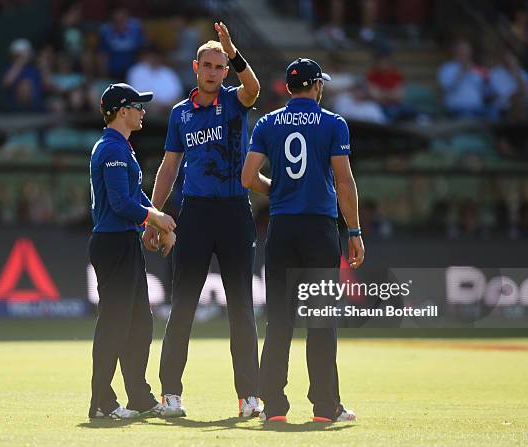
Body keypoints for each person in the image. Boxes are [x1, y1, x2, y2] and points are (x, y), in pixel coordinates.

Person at [143, 22, 262, 418]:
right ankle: (170, 395)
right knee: (182, 309)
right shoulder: (180, 114)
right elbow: (169, 166)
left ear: (225, 70)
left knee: (242, 308)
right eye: (207, 65)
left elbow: (255, 90)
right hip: (193, 215)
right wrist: (154, 217)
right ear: (195, 67)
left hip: (233, 213)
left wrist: (235, 51)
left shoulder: (234, 102)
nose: (213, 71)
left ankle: (249, 396)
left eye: (219, 66)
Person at [242, 58, 363, 423]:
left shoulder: (267, 122)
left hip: (281, 228)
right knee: (321, 321)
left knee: (279, 321)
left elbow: (248, 177)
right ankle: (325, 409)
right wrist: (354, 230)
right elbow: (343, 182)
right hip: (318, 230)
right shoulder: (332, 123)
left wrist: (275, 188)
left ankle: (273, 408)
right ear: (316, 86)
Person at [87, 83, 176, 419]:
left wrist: (155, 224)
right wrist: (158, 219)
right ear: (122, 111)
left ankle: (139, 396)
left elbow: (135, 198)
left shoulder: (121, 147)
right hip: (113, 244)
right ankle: (102, 403)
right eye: (138, 106)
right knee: (114, 322)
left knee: (139, 322)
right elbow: (121, 203)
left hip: (124, 242)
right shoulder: (111, 149)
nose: (142, 111)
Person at [437, 40, 489, 119]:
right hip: (458, 109)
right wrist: (462, 72)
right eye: (462, 50)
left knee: (495, 115)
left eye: (467, 51)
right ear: (456, 52)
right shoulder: (447, 68)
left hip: (478, 108)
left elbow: (485, 92)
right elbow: (447, 88)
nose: (465, 53)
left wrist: (487, 82)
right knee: (470, 118)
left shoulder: (476, 69)